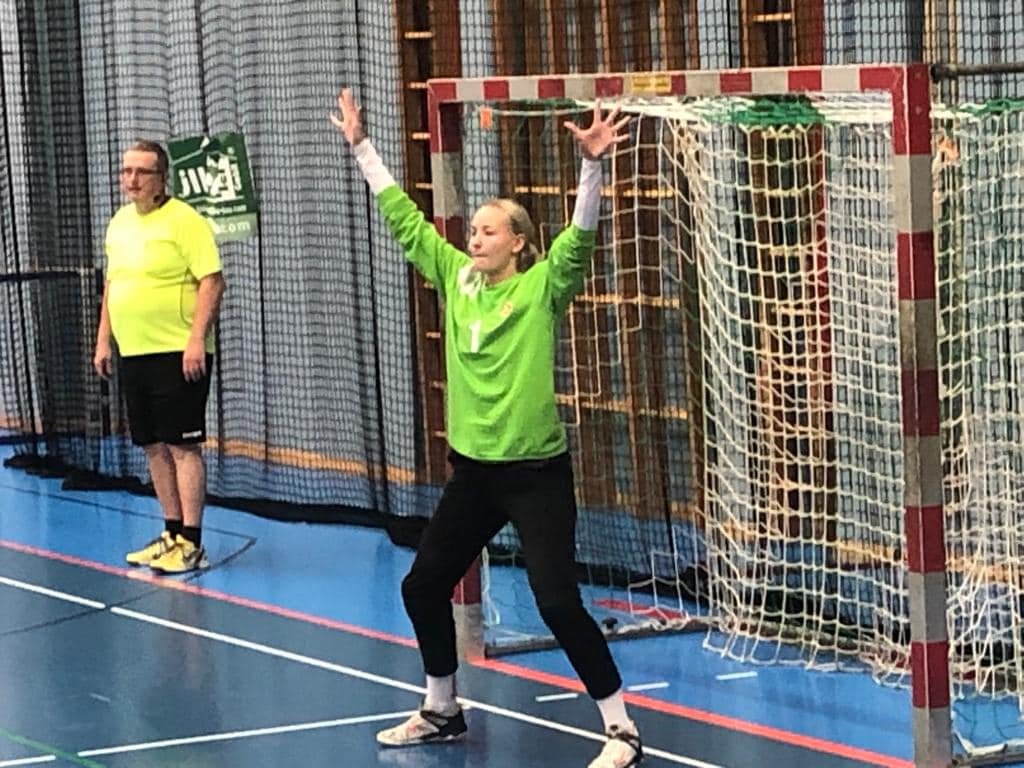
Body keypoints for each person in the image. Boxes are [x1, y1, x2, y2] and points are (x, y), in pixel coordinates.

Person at [330, 89, 642, 768]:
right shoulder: (455, 278)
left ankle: (621, 729)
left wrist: (592, 167)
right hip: (473, 475)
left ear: (519, 244)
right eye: (472, 229)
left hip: (535, 476)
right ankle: (442, 708)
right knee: (422, 585)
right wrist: (361, 147)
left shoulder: (541, 287)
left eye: (490, 231)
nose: (475, 238)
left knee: (557, 602)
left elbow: (579, 241)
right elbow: (405, 219)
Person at [93, 139, 226, 574]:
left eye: (142, 172)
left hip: (178, 352)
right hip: (134, 351)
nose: (132, 180)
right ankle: (171, 532)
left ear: (162, 178)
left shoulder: (185, 221)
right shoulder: (119, 224)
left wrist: (196, 340)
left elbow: (212, 282)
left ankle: (192, 542)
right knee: (152, 445)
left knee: (182, 446)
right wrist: (103, 340)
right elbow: (113, 284)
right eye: (126, 171)